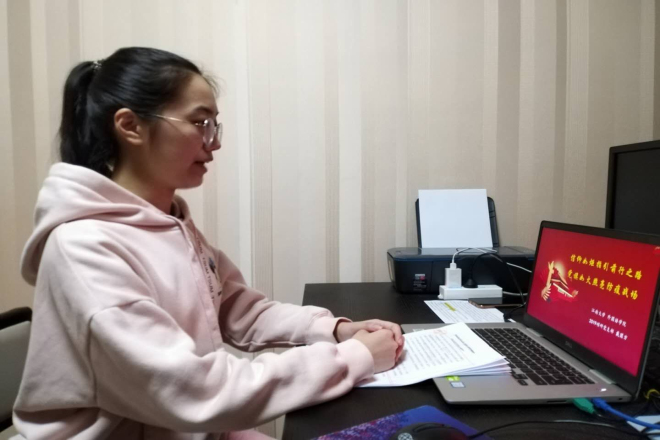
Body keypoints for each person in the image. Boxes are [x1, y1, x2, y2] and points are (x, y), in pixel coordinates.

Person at [13, 47, 403, 440]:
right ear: (130, 126)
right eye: (200, 123)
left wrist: (333, 330)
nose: (213, 143)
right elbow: (194, 390)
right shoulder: (84, 249)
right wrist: (356, 357)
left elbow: (239, 308)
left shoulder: (169, 223)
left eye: (215, 125)